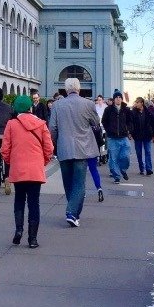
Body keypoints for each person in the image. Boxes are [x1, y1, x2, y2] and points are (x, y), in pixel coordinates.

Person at [48, 77, 101, 227]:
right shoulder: (88, 104)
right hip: (82, 148)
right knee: (79, 182)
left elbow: (52, 128)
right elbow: (96, 123)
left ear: (65, 90)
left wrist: (55, 143)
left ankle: (74, 213)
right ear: (79, 89)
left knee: (68, 182)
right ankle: (72, 212)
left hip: (64, 148)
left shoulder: (57, 105)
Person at [1, 102, 54, 248]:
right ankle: (32, 239)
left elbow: (5, 149)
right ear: (30, 108)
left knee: (19, 200)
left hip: (18, 168)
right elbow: (49, 148)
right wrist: (42, 162)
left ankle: (19, 230)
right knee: (34, 203)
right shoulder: (41, 124)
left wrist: (11, 161)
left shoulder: (11, 124)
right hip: (35, 170)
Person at [102, 90, 133, 183]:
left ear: (122, 99)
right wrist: (109, 130)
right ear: (114, 99)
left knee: (126, 156)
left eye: (120, 97)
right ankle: (116, 177)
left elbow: (130, 121)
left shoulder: (126, 110)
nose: (118, 99)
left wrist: (128, 130)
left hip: (124, 137)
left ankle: (123, 170)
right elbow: (104, 121)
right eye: (116, 97)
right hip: (112, 138)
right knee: (113, 158)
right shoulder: (108, 110)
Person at [130, 97, 154, 175]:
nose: (136, 104)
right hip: (137, 136)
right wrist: (131, 133)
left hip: (147, 135)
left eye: (137, 102)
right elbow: (131, 124)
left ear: (141, 103)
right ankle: (141, 168)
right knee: (139, 153)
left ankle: (148, 169)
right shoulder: (133, 113)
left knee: (148, 152)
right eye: (135, 102)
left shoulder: (148, 112)